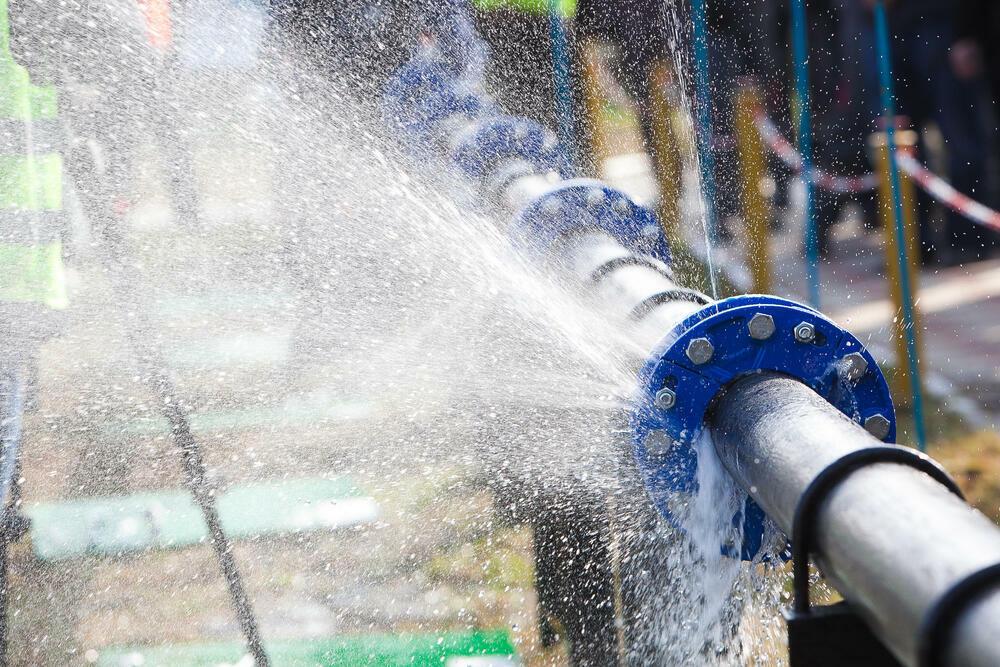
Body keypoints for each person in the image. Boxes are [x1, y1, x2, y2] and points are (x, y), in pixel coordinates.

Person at [857, 0, 998, 265]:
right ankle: (915, 245)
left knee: (962, 142)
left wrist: (965, 34)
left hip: (942, 25)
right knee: (901, 142)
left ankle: (970, 241)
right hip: (892, 27)